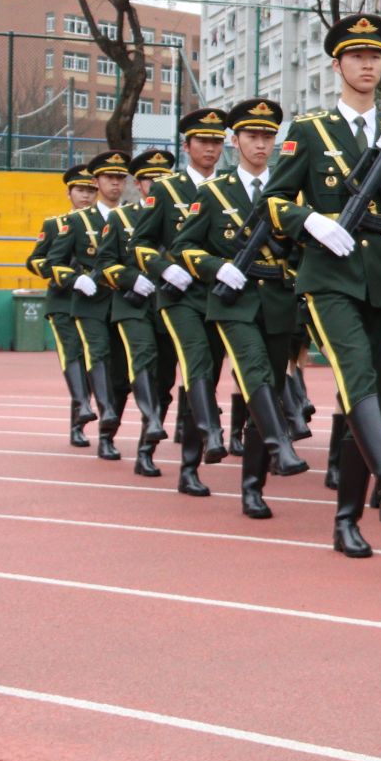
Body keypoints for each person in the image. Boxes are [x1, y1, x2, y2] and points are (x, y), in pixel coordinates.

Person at [257, 14, 381, 558]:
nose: (367, 65)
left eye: (375, 56)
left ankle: (347, 519)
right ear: (337, 65)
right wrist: (311, 221)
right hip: (329, 275)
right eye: (357, 56)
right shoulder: (311, 131)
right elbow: (272, 202)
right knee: (356, 372)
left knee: (370, 394)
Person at [175, 98, 315, 519]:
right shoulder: (213, 193)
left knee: (266, 386)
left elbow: (304, 248)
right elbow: (184, 247)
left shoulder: (289, 192)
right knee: (253, 369)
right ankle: (281, 446)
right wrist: (217, 268)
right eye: (252, 136)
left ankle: (253, 487)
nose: (261, 144)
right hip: (233, 302)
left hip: (277, 301)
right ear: (234, 141)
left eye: (268, 136)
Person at [131, 108, 232, 495]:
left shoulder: (228, 188)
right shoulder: (166, 189)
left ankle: (190, 467)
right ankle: (194, 438)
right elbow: (140, 243)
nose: (210, 148)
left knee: (204, 377)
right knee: (192, 365)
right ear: (187, 146)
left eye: (217, 141)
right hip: (179, 296)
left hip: (218, 295)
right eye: (203, 141)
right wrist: (164, 268)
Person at [44, 150, 155, 460]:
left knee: (120, 374)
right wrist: (75, 279)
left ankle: (108, 434)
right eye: (109, 178)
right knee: (97, 353)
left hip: (123, 301)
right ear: (97, 181)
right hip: (89, 302)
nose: (115, 184)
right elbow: (52, 262)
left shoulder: (135, 217)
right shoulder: (77, 220)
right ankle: (104, 412)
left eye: (120, 178)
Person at [109, 148, 182, 479]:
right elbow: (104, 263)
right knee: (143, 356)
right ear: (138, 185)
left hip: (168, 303)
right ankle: (150, 421)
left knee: (165, 380)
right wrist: (130, 278)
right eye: (151, 180)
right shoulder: (121, 218)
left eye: (164, 178)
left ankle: (145, 451)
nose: (157, 184)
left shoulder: (183, 216)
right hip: (133, 304)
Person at [26, 163, 99, 449]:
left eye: (91, 190)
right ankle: (79, 419)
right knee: (73, 354)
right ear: (69, 193)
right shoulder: (55, 224)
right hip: (63, 300)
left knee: (94, 359)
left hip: (93, 301)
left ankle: (86, 414)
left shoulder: (105, 223)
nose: (86, 196)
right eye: (80, 190)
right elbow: (35, 260)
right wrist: (64, 274)